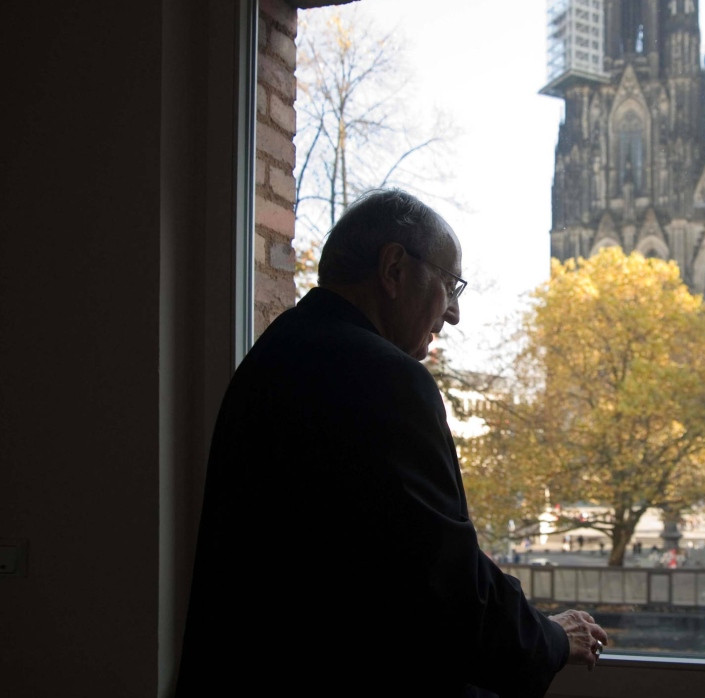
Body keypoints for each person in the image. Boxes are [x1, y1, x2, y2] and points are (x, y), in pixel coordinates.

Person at [177, 189, 607, 697]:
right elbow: (449, 596)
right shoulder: (386, 378)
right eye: (450, 286)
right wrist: (553, 638)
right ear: (395, 269)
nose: (454, 314)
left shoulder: (277, 355)